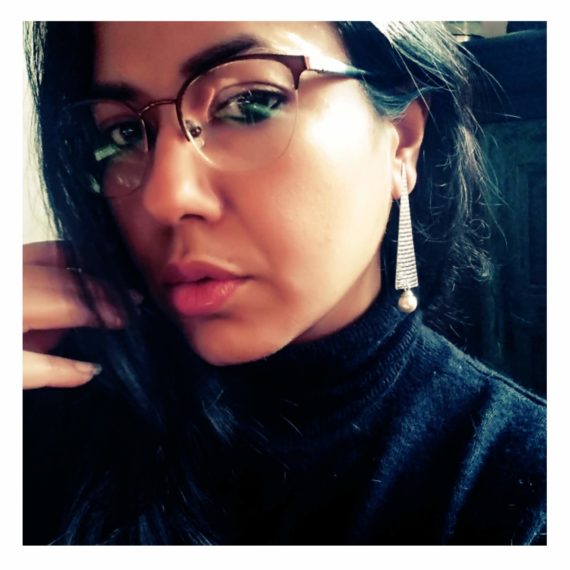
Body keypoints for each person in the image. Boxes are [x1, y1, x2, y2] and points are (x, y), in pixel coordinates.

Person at [23, 21, 546, 545]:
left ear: (402, 142)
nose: (165, 197)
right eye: (123, 133)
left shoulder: (526, 497)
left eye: (248, 104)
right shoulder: (47, 392)